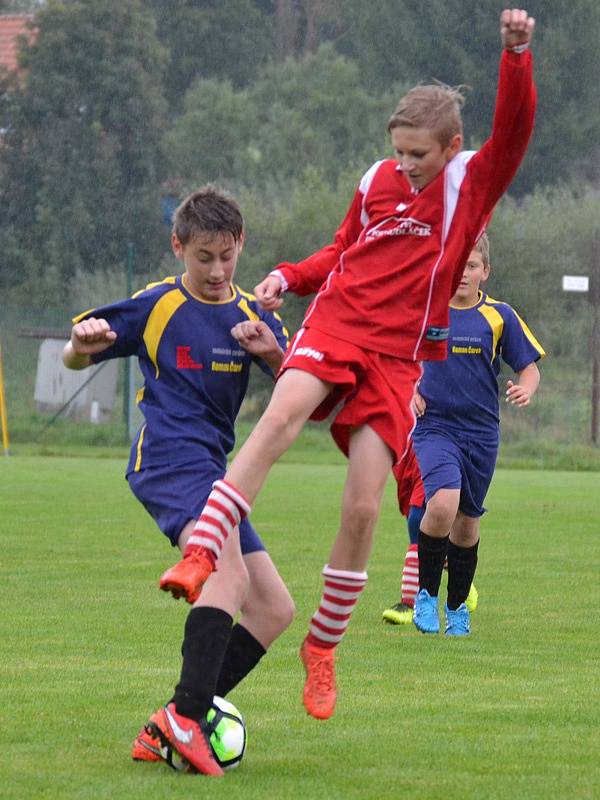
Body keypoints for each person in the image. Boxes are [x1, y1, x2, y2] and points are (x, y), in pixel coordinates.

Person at [159, 8, 537, 729]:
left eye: (419, 155)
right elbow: (341, 252)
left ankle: (322, 648)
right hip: (338, 321)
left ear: (453, 147)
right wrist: (288, 277)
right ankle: (201, 554)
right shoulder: (376, 182)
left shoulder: (470, 184)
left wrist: (516, 57)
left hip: (399, 354)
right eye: (397, 152)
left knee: (364, 508)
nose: (405, 165)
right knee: (278, 418)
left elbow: (515, 129)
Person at [63, 186, 294, 776]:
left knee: (273, 608)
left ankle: (170, 720)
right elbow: (77, 354)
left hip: (218, 475)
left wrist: (273, 354)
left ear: (240, 245)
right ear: (178, 247)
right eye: (203, 258)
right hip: (166, 461)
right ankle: (188, 720)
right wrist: (76, 348)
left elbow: (307, 403)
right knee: (230, 573)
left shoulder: (254, 315)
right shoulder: (157, 305)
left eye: (226, 257)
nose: (217, 271)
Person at [383, 233, 542, 627]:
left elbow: (530, 366)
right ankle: (424, 597)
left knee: (467, 522)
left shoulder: (500, 316)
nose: (463, 273)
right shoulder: (424, 311)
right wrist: (409, 390)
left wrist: (526, 388)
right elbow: (391, 356)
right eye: (456, 265)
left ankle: (456, 610)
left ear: (485, 272)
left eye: (471, 266)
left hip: (482, 433)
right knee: (441, 503)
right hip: (435, 427)